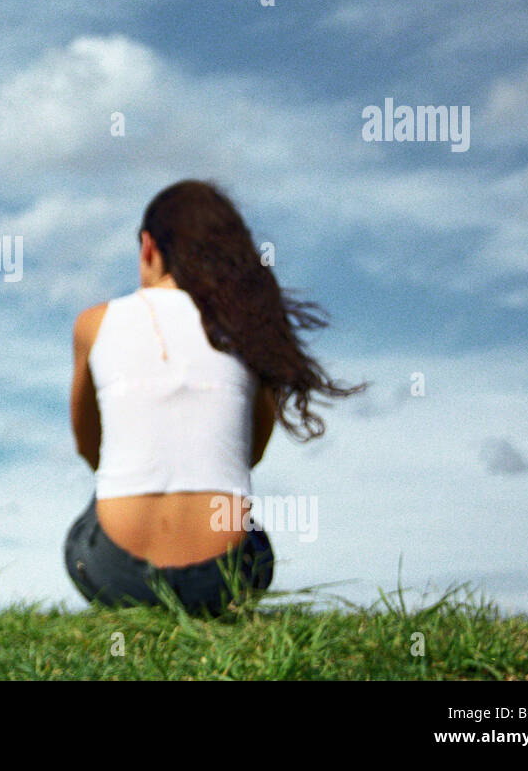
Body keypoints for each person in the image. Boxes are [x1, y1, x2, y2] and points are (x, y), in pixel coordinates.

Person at [64, 179, 366, 615]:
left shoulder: (93, 323)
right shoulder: (247, 326)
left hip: (116, 574)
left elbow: (89, 447)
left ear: (148, 246)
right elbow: (248, 456)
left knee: (99, 501)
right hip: (226, 577)